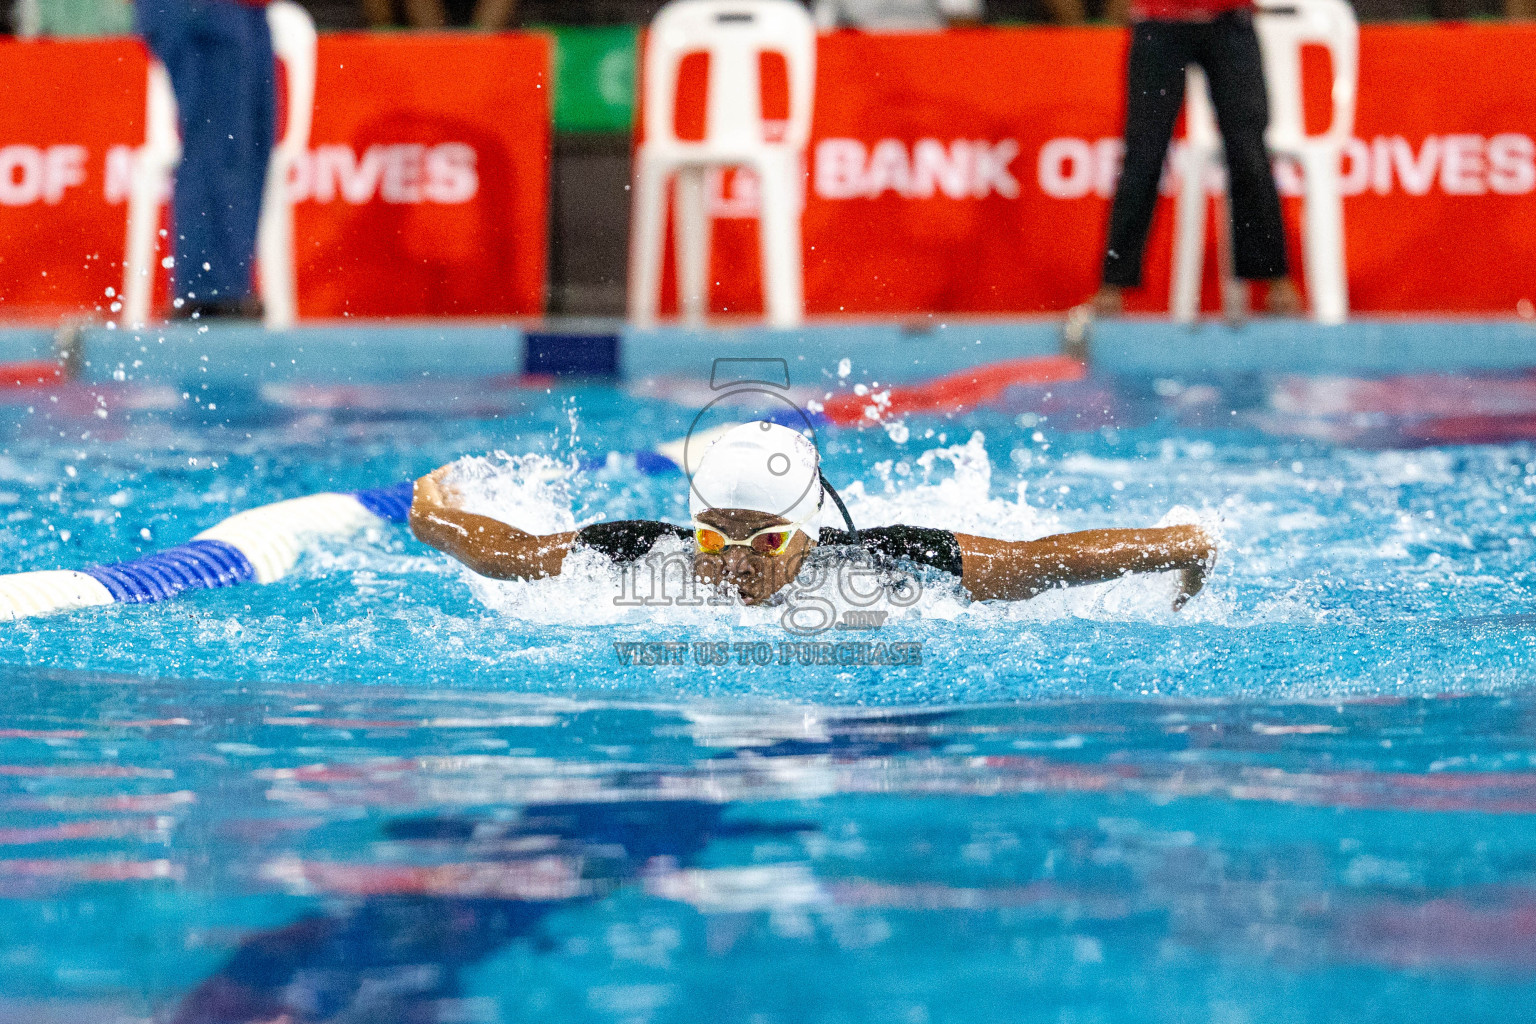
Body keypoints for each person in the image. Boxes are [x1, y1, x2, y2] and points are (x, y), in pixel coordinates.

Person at [410, 421, 1217, 610]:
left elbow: (1041, 560)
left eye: (763, 540)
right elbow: (515, 555)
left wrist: (1179, 545)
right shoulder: (642, 551)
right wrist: (438, 522)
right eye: (713, 535)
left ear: (805, 530)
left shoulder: (884, 561)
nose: (732, 560)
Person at [1085, 0, 1302, 318]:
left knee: (1249, 153)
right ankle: (1113, 285)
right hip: (1158, 22)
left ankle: (1274, 278)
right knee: (1143, 157)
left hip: (1229, 20)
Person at [135, 0, 273, 319]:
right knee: (216, 144)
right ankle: (207, 293)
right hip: (200, 9)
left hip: (248, 10)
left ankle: (229, 285)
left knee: (250, 146)